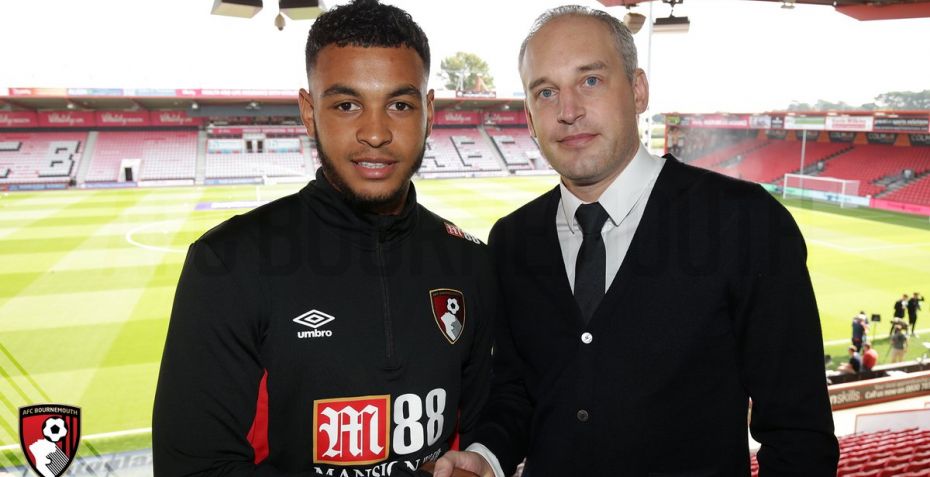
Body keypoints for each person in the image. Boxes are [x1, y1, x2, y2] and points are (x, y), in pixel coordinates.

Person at [434, 5, 838, 476]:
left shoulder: (745, 222)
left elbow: (798, 434)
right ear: (528, 114)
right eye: (546, 92)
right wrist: (488, 457)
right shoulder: (512, 240)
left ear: (638, 90)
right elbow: (517, 391)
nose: (568, 112)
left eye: (590, 80)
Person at [152, 1, 495, 475]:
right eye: (347, 105)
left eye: (399, 105)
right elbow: (193, 467)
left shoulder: (470, 261)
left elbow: (486, 425)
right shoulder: (227, 263)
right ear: (309, 112)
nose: (375, 133)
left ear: (429, 112)